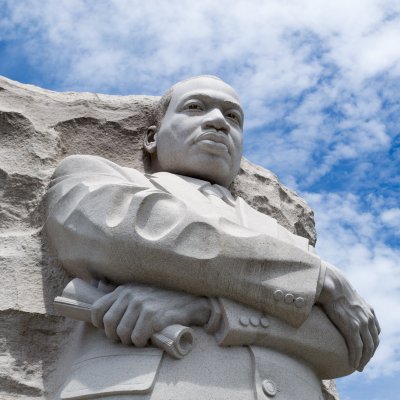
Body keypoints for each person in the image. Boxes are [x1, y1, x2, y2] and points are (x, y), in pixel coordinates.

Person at [46, 76, 380, 400]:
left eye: (233, 117)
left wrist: (209, 310)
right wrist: (316, 278)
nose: (219, 122)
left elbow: (348, 346)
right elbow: (122, 233)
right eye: (195, 107)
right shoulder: (95, 176)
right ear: (151, 137)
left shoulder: (287, 240)